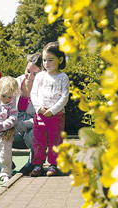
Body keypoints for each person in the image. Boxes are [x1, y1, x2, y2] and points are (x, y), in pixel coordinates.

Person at [0, 53, 42, 171]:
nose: (30, 76)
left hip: (29, 131)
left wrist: (16, 126)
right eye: (28, 71)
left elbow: (41, 119)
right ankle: (4, 165)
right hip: (9, 130)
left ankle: (34, 165)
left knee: (37, 132)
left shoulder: (45, 89)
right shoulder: (13, 84)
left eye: (36, 74)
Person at [30, 41, 69, 177]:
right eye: (44, 60)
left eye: (50, 60)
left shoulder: (63, 78)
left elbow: (64, 97)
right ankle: (37, 165)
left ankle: (53, 165)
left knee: (55, 142)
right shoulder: (40, 76)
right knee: (39, 141)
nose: (47, 63)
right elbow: (34, 93)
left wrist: (53, 110)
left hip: (56, 116)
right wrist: (39, 108)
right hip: (40, 115)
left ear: (60, 60)